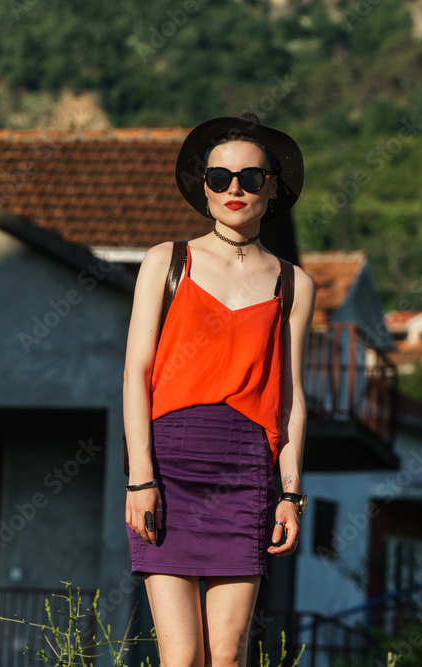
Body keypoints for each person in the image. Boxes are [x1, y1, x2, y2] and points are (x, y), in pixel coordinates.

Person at [122, 114, 315, 667]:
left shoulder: (294, 284)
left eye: (252, 178)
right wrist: (141, 478)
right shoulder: (167, 262)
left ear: (272, 188)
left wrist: (291, 492)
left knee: (227, 658)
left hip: (247, 473)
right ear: (203, 184)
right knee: (180, 660)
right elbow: (136, 374)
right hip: (169, 465)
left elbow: (292, 399)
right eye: (220, 176)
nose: (235, 189)